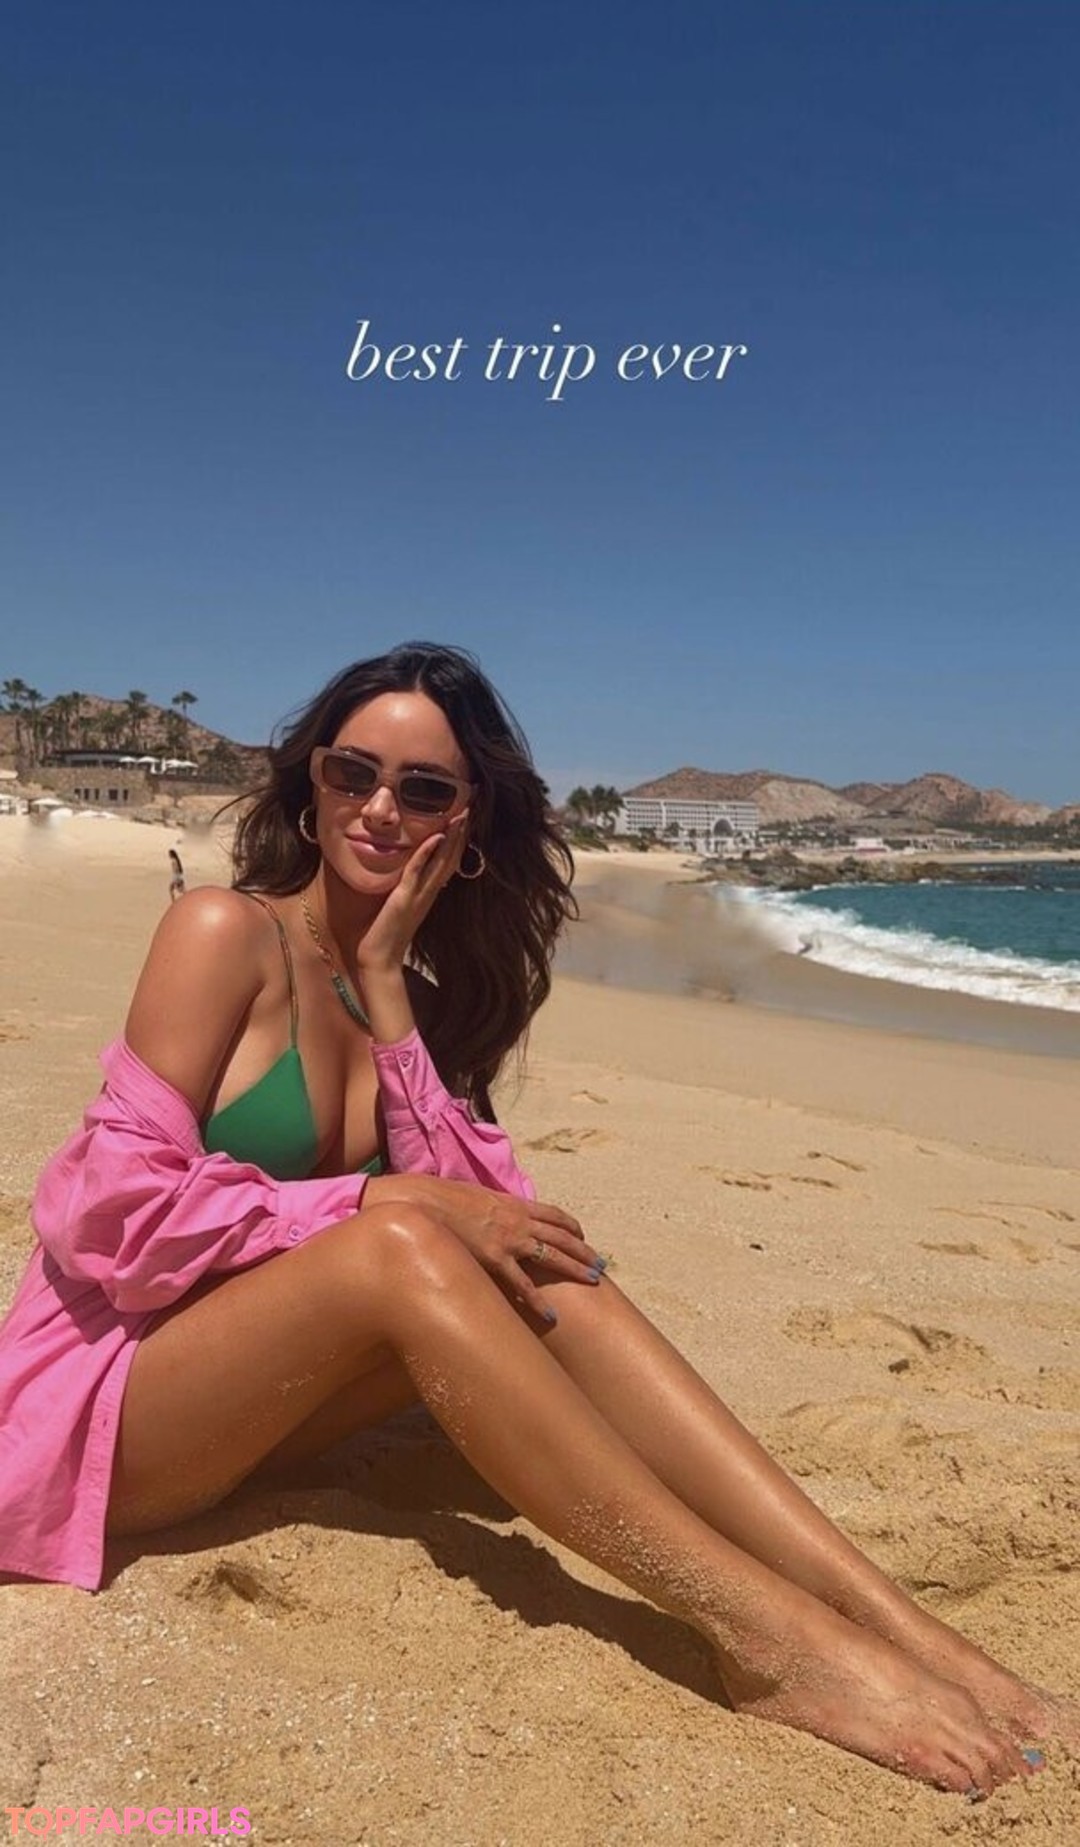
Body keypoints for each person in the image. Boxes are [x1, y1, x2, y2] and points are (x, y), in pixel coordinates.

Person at [0, 642, 1071, 1797]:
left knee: (548, 1268)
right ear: (311, 779)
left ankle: (897, 1621)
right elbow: (109, 1212)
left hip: (259, 1401)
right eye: (353, 771)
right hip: (105, 1410)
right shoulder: (222, 931)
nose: (379, 808)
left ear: (465, 821)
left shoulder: (403, 984)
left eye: (422, 788)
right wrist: (376, 1192)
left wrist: (390, 989)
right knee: (402, 1240)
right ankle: (768, 1637)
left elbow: (494, 1225)